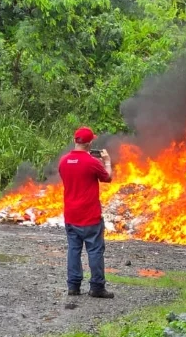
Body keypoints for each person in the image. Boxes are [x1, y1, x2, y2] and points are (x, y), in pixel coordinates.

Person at [58, 126, 114, 298]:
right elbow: (108, 178)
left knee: (73, 250)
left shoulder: (63, 161)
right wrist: (107, 162)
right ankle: (97, 287)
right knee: (95, 250)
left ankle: (73, 287)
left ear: (75, 140)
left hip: (71, 215)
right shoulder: (92, 163)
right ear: (90, 144)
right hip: (90, 216)